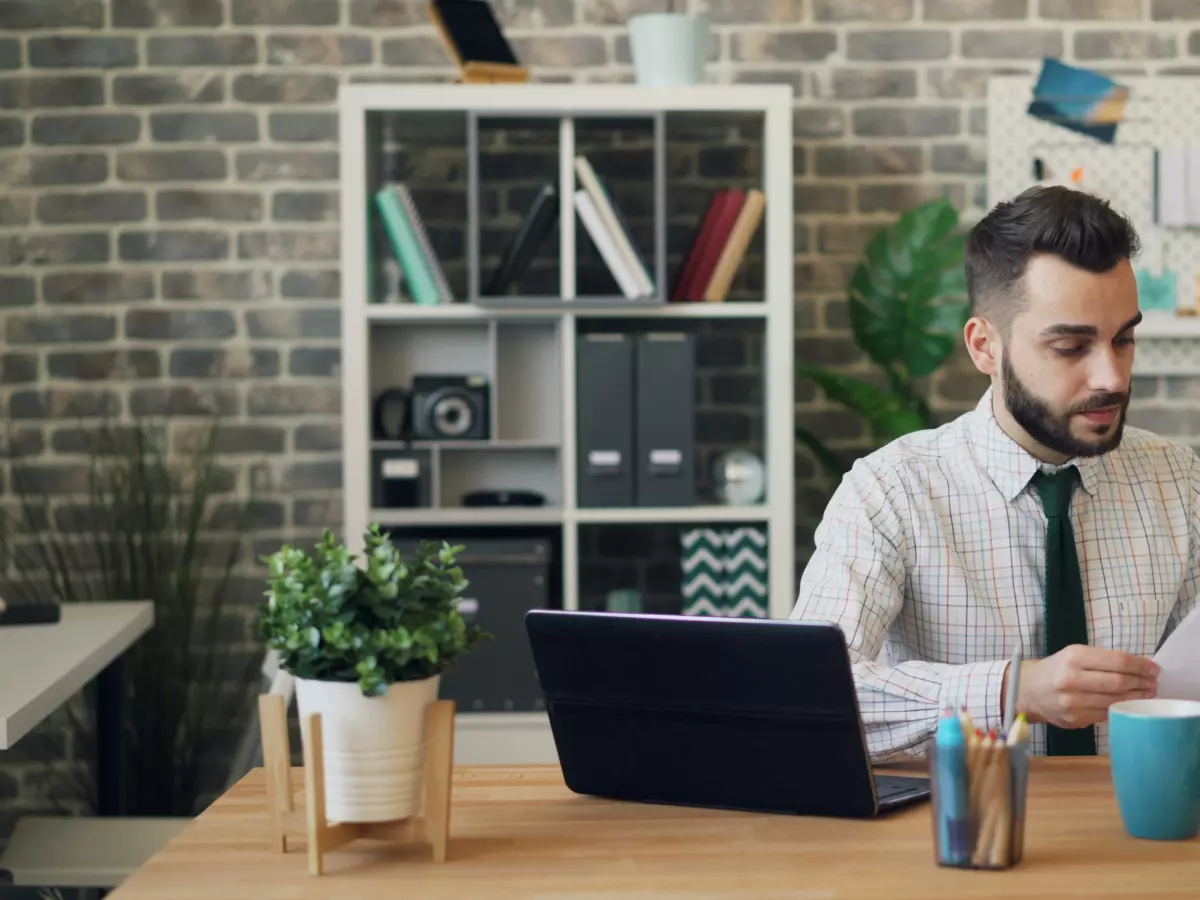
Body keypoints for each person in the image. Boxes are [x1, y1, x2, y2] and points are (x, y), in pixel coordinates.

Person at [791, 185, 1199, 761]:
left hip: (1143, 828)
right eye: (1070, 347)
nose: (1111, 376)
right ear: (985, 346)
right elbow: (810, 692)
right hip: (954, 833)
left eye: (1123, 338)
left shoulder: (1179, 482)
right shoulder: (890, 491)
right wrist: (1013, 690)